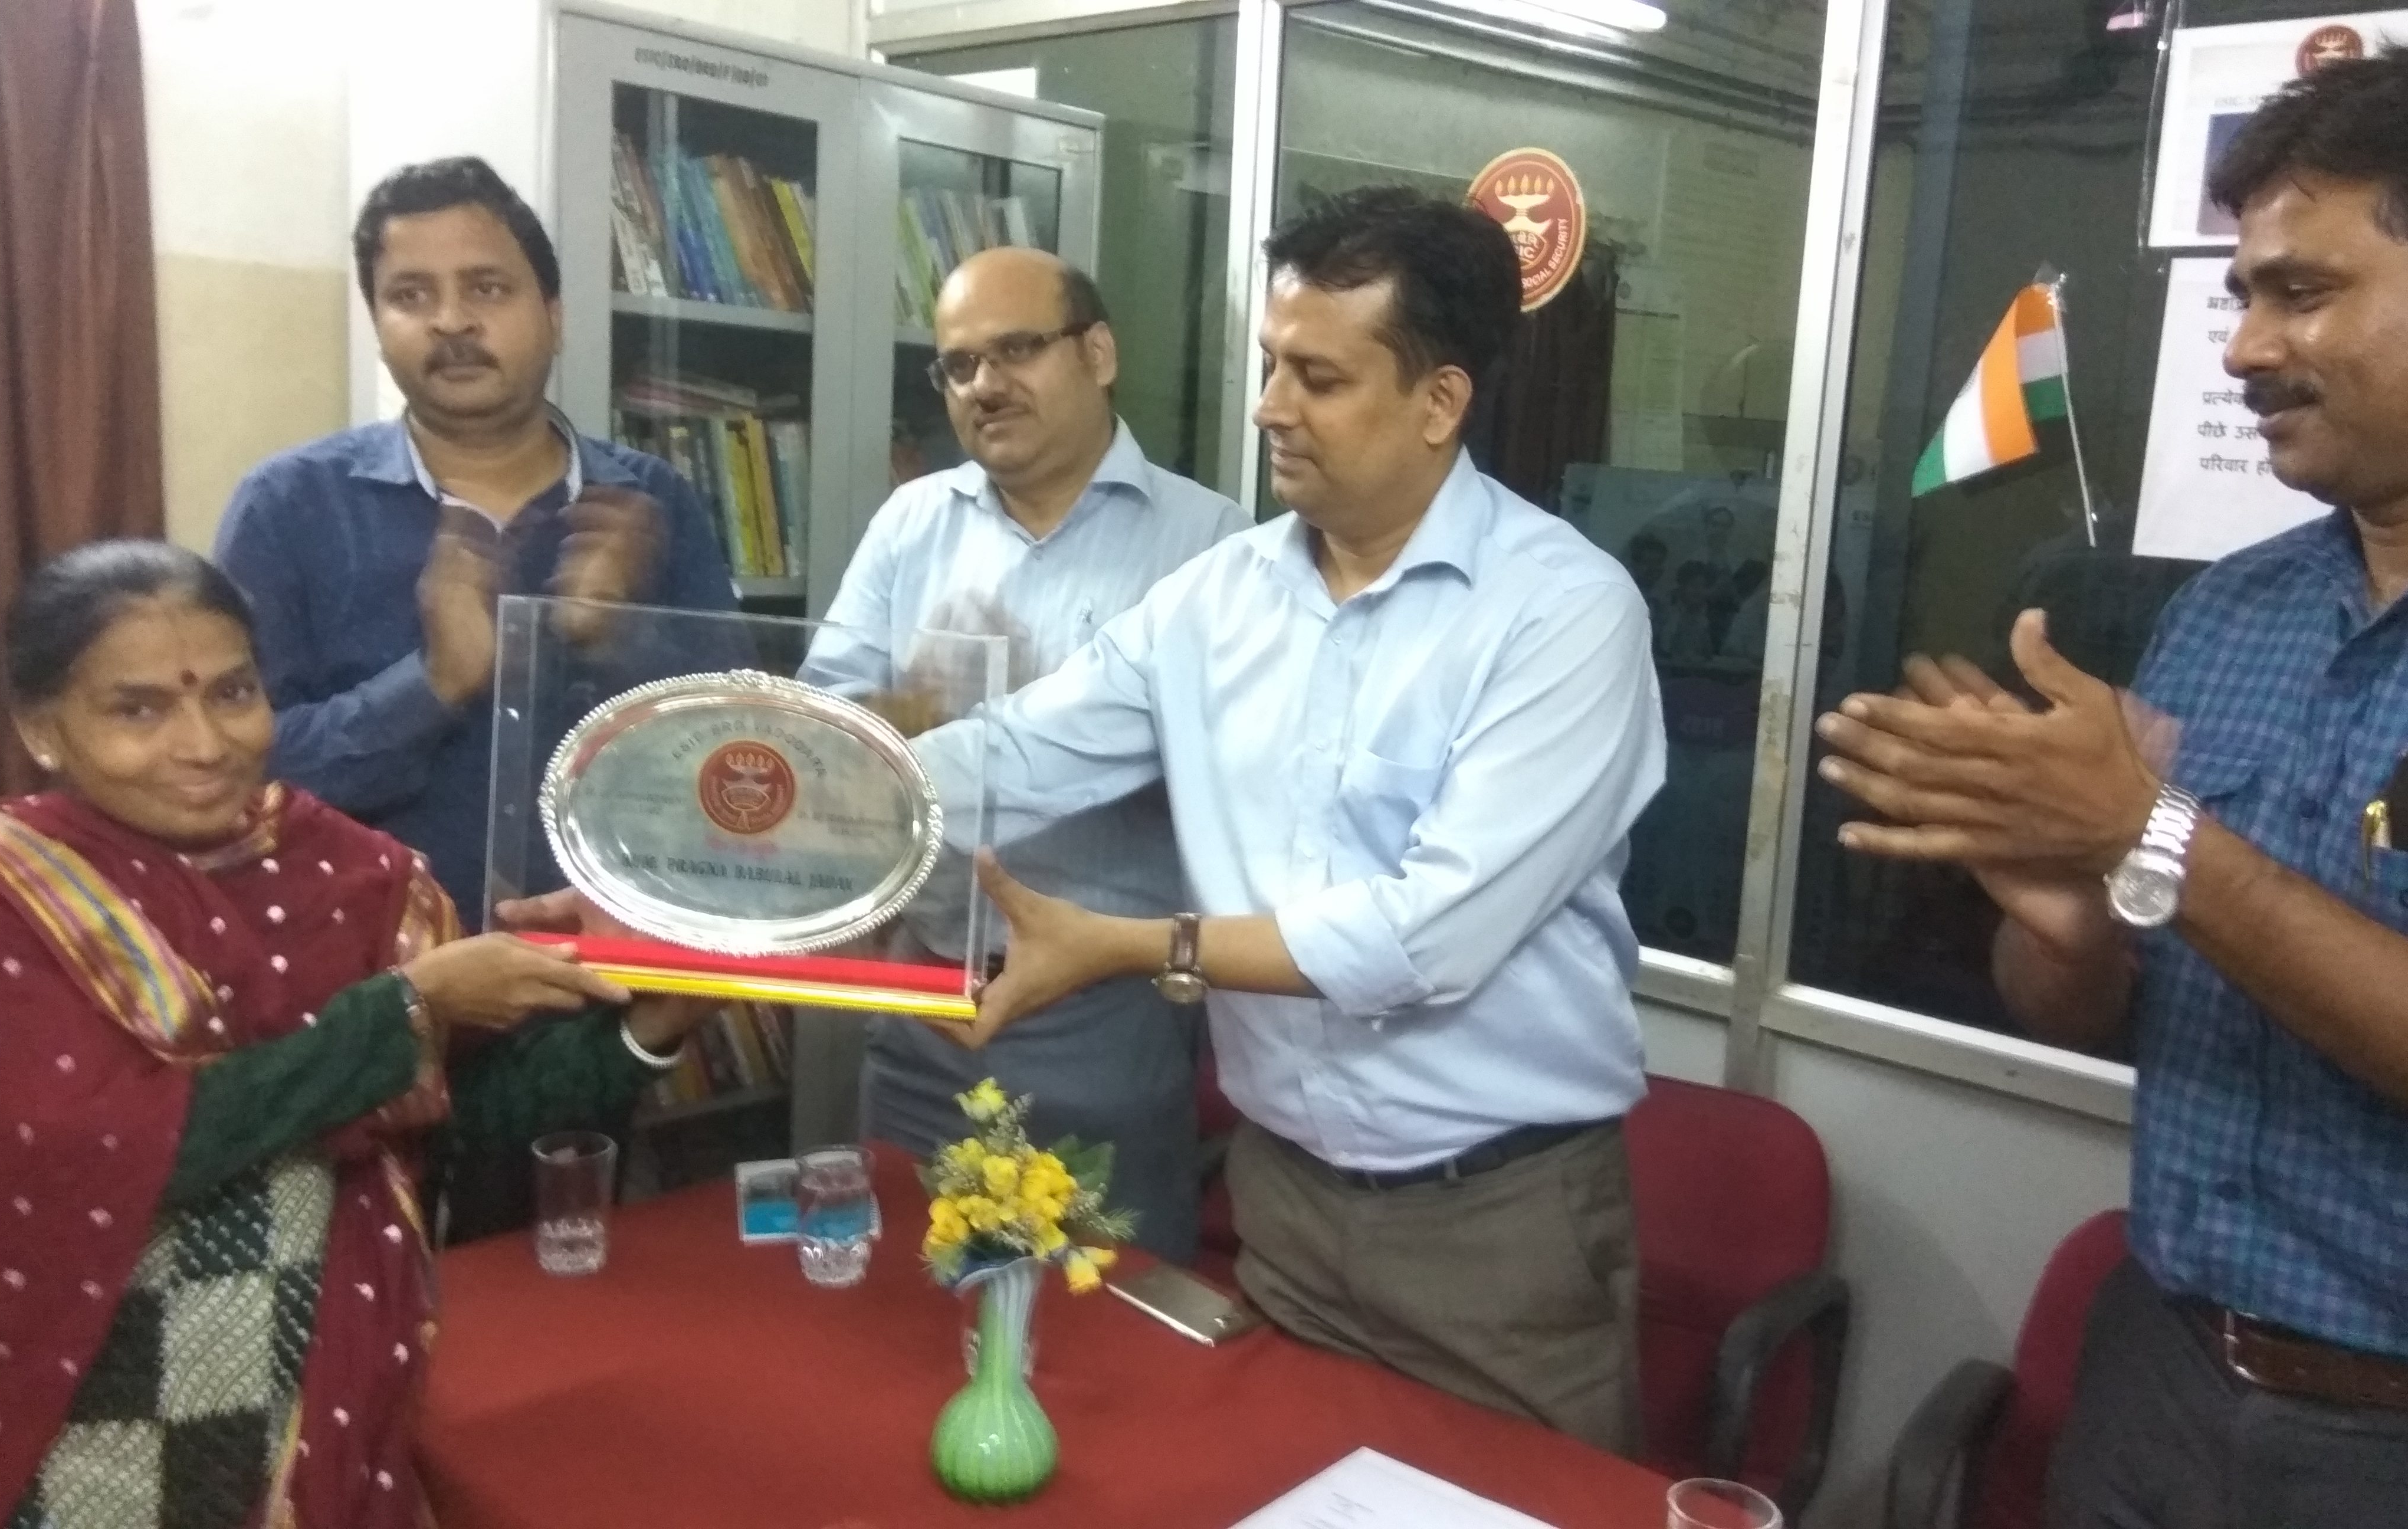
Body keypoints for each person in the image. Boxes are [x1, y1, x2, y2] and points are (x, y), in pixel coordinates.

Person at [1812, 48, 2408, 1527]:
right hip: (2163, 1379)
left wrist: (2148, 830)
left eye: (2304, 292)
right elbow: (2094, 1005)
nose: (2246, 349)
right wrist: (2064, 926)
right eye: (2242, 297)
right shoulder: (2230, 615)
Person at [920, 186, 1664, 1455]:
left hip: (1496, 1224)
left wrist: (1135, 946)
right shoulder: (1216, 600)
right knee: (1284, 1488)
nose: (1269, 406)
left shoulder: (1562, 613)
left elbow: (1427, 936)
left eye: (1318, 378)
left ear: (1439, 402)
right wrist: (770, 797)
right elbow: (1017, 753)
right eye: (1271, 363)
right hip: (1285, 1204)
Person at [0, 542, 712, 1529]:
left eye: (233, 694)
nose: (203, 744)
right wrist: (404, 1010)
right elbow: (101, 1152)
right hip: (75, 1402)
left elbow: (454, 1121)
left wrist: (649, 1017)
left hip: (325, 1386)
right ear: (41, 729)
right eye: (138, 710)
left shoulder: (354, 876)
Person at [795, 247, 1245, 1265]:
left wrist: (1058, 726)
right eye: (958, 366)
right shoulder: (913, 523)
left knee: (1106, 1313)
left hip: (1107, 1017)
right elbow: (825, 736)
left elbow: (1228, 777)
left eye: (1016, 350)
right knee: (903, 1299)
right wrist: (913, 706)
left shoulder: (1212, 543)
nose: (985, 385)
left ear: (1099, 353)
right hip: (927, 1005)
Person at [212, 155, 737, 925]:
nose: (451, 322)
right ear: (378, 325)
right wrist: (433, 684)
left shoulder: (649, 504)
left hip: (610, 965)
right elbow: (235, 779)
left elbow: (742, 759)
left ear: (554, 316)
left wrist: (624, 640)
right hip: (376, 971)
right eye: (410, 296)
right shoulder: (289, 507)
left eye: (487, 288)